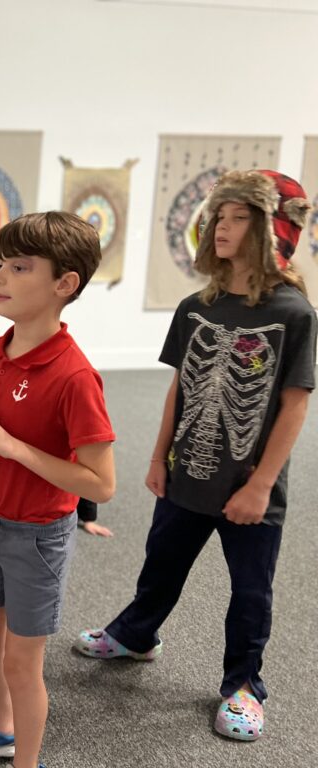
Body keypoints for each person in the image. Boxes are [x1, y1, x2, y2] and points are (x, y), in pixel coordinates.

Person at [74, 170, 315, 743]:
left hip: (251, 487)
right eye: (219, 217)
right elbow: (179, 389)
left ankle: (243, 686)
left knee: (250, 593)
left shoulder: (294, 314)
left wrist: (260, 486)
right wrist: (159, 458)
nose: (222, 228)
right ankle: (137, 635)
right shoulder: (195, 306)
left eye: (238, 219)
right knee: (161, 565)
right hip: (188, 472)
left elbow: (293, 408)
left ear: (270, 229)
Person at [0, 212, 116, 768]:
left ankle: (28, 761)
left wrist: (14, 448)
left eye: (19, 267)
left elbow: (101, 483)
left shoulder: (74, 376)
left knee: (22, 665)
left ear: (64, 284)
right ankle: (2, 731)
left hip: (39, 536)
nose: (0, 277)